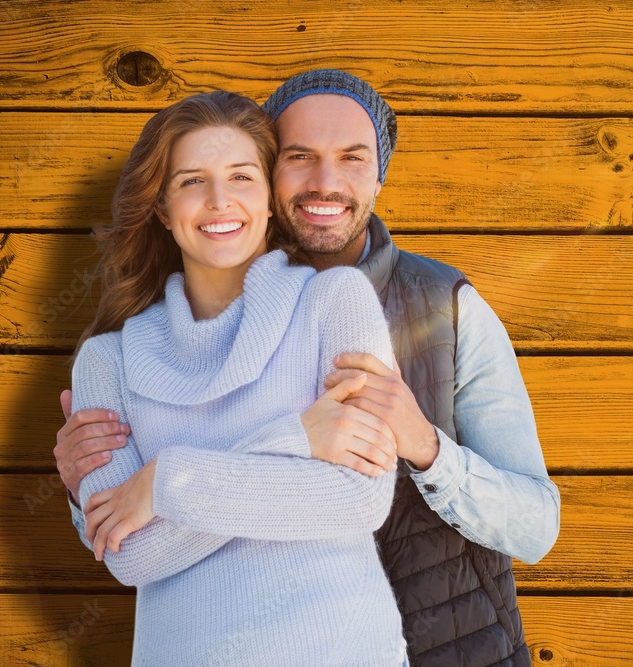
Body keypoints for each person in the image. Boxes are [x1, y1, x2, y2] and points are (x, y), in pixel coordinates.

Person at [56, 70, 561, 666]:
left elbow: (526, 524)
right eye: (300, 156)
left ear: (380, 174)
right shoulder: (119, 352)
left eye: (352, 157)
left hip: (450, 646)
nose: (326, 181)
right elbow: (128, 544)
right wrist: (92, 490)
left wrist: (424, 444)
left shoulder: (438, 306)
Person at [68, 89, 407, 665]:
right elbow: (130, 553)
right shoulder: (108, 361)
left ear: (271, 199)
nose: (220, 201)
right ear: (161, 208)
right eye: (191, 181)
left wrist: (165, 484)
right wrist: (293, 440)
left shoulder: (335, 302)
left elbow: (359, 498)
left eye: (242, 177)